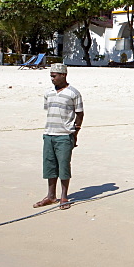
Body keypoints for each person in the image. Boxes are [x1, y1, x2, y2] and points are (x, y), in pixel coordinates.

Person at [35, 63, 84, 211]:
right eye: (51, 76)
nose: (52, 79)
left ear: (63, 75)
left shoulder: (73, 93)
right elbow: (48, 110)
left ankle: (64, 196)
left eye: (54, 76)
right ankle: (50, 196)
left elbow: (80, 114)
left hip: (65, 135)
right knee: (50, 166)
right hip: (49, 134)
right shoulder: (48, 92)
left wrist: (75, 133)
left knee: (63, 166)